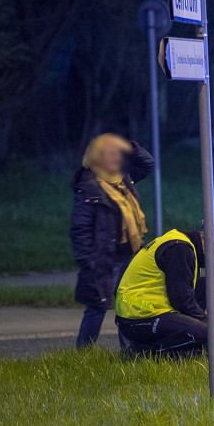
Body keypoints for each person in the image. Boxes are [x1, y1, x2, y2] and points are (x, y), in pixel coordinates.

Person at [70, 134, 154, 347]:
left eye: (117, 153)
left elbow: (148, 164)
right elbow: (80, 228)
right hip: (105, 259)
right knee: (97, 307)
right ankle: (82, 355)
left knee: (127, 305)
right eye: (110, 154)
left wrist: (130, 146)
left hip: (130, 253)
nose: (116, 158)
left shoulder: (122, 178)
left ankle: (128, 351)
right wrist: (87, 262)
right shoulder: (89, 186)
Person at [114, 226, 214, 356]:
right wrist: (209, 325)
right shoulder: (180, 249)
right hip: (138, 318)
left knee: (204, 286)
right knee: (204, 334)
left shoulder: (183, 245)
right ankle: (142, 351)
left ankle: (176, 345)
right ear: (209, 243)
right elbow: (181, 299)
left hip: (144, 312)